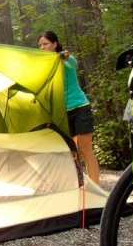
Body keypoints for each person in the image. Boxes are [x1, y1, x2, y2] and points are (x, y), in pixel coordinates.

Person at [38, 31, 100, 185]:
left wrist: (65, 55)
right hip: (62, 113)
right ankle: (76, 186)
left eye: (45, 44)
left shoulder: (65, 59)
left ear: (55, 44)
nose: (42, 47)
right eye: (40, 45)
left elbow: (72, 62)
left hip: (80, 108)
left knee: (86, 150)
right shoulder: (44, 66)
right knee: (70, 152)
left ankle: (97, 190)